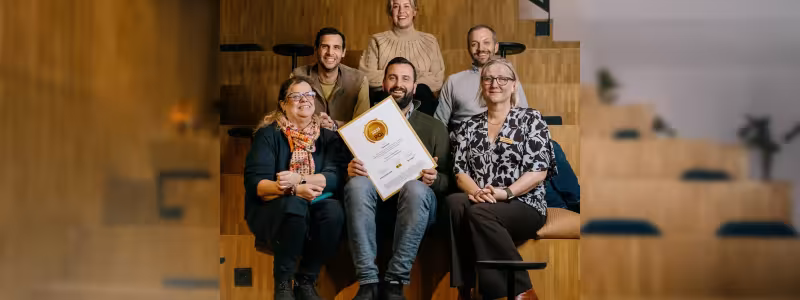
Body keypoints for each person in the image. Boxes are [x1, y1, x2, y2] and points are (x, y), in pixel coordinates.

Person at [445, 58, 557, 300]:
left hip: (523, 204)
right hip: (482, 198)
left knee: (479, 213)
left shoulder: (531, 120)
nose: (495, 83)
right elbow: (459, 170)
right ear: (481, 85)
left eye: (503, 78)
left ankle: (521, 290)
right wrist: (476, 192)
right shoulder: (468, 126)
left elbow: (539, 171)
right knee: (455, 203)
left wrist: (505, 193)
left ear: (514, 85)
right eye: (488, 78)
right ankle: (465, 288)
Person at [345, 57, 451, 300]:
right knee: (357, 184)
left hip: (419, 203)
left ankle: (395, 283)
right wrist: (350, 170)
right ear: (383, 84)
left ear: (414, 87)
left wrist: (435, 179)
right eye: (392, 77)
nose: (398, 83)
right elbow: (352, 170)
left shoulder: (435, 128)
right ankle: (368, 282)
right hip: (377, 198)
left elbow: (449, 181)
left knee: (415, 189)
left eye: (405, 79)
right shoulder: (365, 124)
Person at [244, 76, 349, 300]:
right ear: (283, 104)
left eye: (309, 95)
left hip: (316, 202)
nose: (304, 100)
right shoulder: (268, 135)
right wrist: (293, 191)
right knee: (295, 205)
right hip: (274, 207)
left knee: (334, 212)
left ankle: (306, 279)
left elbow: (334, 177)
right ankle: (283, 282)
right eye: (296, 96)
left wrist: (299, 181)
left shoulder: (329, 137)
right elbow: (258, 185)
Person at [435, 25, 529, 132]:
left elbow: (524, 119)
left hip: (505, 143)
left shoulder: (509, 80)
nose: (481, 49)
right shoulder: (453, 81)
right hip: (464, 144)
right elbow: (439, 124)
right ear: (468, 48)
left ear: (496, 47)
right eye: (474, 44)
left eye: (486, 42)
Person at [359, 0, 444, 116]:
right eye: (396, 6)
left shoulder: (430, 41)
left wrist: (389, 76)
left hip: (421, 107)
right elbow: (366, 76)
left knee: (422, 90)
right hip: (386, 102)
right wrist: (417, 75)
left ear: (414, 11)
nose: (401, 11)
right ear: (390, 12)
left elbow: (437, 80)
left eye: (406, 6)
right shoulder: (377, 40)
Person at [291, 27, 370, 130]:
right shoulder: (297, 76)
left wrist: (335, 125)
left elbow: (364, 123)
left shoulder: (359, 80)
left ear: (343, 52)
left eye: (336, 47)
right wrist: (313, 122)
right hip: (307, 140)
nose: (330, 52)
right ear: (316, 50)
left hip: (343, 142)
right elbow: (289, 117)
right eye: (325, 46)